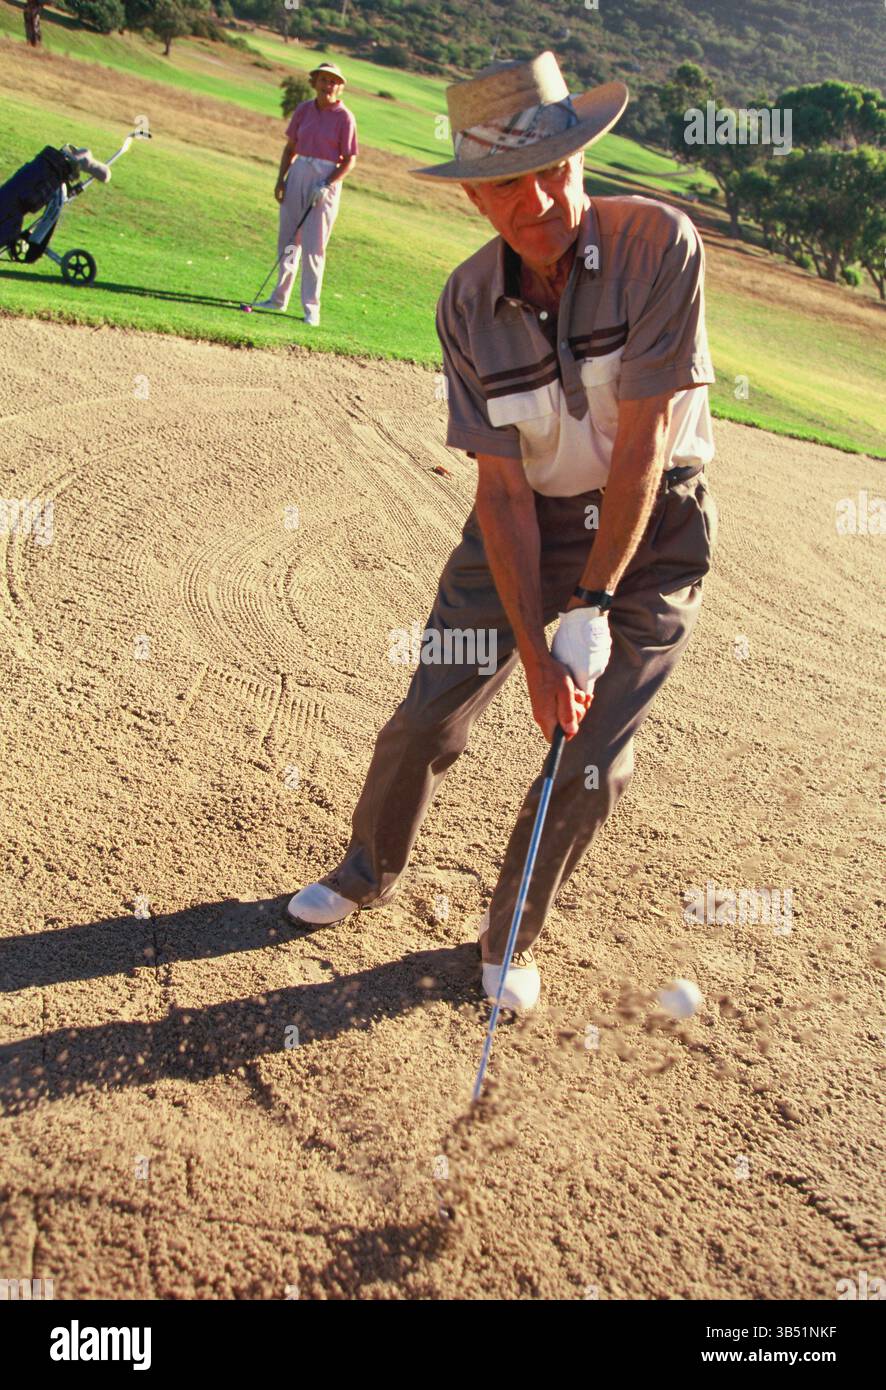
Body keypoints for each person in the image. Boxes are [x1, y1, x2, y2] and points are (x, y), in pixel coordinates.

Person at [286, 52, 718, 1009]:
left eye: (554, 168)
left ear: (580, 156)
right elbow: (504, 496)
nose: (541, 200)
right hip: (527, 523)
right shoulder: (466, 303)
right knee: (426, 717)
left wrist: (595, 607)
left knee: (594, 754)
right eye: (507, 186)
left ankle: (510, 934)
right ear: (475, 200)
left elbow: (644, 444)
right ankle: (367, 869)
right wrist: (534, 652)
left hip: (654, 533)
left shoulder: (660, 243)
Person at [256, 61, 358, 325]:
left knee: (314, 247)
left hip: (325, 180)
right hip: (298, 172)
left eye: (334, 81)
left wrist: (327, 183)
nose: (328, 86)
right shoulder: (303, 110)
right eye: (324, 80)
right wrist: (281, 180)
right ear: (314, 82)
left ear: (340, 87)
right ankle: (278, 298)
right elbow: (290, 148)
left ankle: (312, 309)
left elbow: (349, 159)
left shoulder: (344, 117)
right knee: (289, 241)